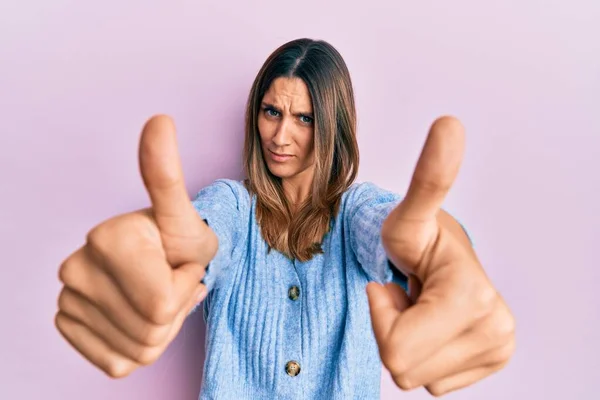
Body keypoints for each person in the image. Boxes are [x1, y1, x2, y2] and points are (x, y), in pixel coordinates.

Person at [54, 38, 515, 399]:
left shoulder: (355, 211)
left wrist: (442, 253)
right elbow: (204, 233)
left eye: (304, 118)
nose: (280, 134)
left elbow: (397, 230)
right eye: (272, 112)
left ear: (332, 125)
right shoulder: (233, 204)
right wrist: (177, 254)